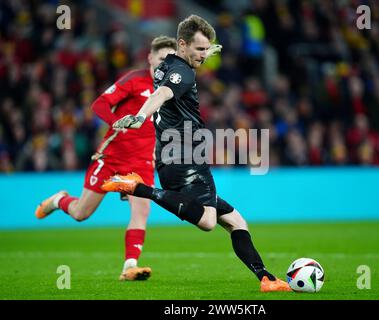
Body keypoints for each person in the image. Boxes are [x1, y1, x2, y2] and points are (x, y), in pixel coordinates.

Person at [101, 15, 291, 292]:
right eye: (200, 49)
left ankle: (266, 279)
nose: (204, 55)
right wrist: (140, 116)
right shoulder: (183, 73)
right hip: (187, 156)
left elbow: (167, 75)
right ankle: (138, 188)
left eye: (207, 48)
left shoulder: (167, 64)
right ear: (182, 44)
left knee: (236, 221)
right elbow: (164, 93)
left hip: (171, 158)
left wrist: (204, 51)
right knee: (208, 221)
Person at [34, 36, 177, 281]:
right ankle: (60, 200)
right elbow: (99, 104)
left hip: (141, 163)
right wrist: (115, 123)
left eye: (171, 60)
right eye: (162, 58)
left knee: (142, 210)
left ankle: (129, 266)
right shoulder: (135, 79)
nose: (166, 64)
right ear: (150, 58)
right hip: (111, 158)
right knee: (81, 213)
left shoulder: (173, 89)